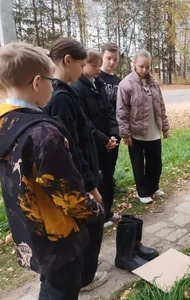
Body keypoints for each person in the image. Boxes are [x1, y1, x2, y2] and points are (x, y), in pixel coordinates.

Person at [0, 42, 103, 300]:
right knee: (63, 288)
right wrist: (95, 210)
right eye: (50, 80)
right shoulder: (43, 133)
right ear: (37, 82)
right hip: (59, 236)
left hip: (27, 229)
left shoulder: (4, 122)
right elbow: (68, 195)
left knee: (51, 282)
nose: (53, 85)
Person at [43, 37, 107, 291]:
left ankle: (84, 269)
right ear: (67, 61)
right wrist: (90, 186)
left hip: (81, 175)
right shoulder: (60, 98)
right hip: (78, 180)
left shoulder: (63, 93)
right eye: (81, 65)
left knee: (88, 227)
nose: (82, 71)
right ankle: (85, 278)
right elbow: (71, 148)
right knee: (92, 222)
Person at [71, 49, 120, 227]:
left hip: (110, 141)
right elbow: (85, 122)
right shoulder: (77, 89)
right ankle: (99, 215)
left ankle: (108, 210)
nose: (99, 68)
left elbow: (109, 111)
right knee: (97, 178)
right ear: (83, 65)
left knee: (108, 177)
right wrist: (103, 140)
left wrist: (114, 135)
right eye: (95, 65)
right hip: (94, 144)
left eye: (100, 64)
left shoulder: (98, 84)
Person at [117, 49, 169, 204]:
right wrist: (125, 134)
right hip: (136, 132)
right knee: (139, 164)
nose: (145, 70)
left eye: (147, 67)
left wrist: (165, 127)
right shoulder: (126, 84)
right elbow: (121, 110)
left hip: (153, 131)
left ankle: (153, 187)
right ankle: (143, 191)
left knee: (155, 163)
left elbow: (161, 105)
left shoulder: (153, 82)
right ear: (134, 64)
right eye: (141, 66)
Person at [99, 42, 127, 195]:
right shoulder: (97, 78)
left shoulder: (118, 81)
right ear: (102, 57)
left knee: (112, 160)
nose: (112, 62)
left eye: (115, 59)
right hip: (101, 129)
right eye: (108, 58)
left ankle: (111, 184)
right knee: (101, 161)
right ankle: (102, 188)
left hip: (116, 128)